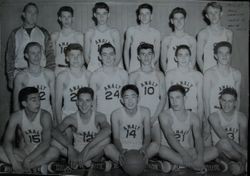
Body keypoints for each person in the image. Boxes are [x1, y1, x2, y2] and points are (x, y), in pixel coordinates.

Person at [158, 85, 220, 173]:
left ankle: (177, 165)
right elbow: (169, 135)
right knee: (161, 150)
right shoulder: (164, 115)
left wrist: (200, 157)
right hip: (172, 151)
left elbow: (198, 138)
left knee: (215, 150)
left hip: (188, 151)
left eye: (178, 97)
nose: (174, 101)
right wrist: (184, 155)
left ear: (185, 98)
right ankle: (195, 166)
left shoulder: (193, 116)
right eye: (171, 98)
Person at [50, 87, 111, 172]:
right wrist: (70, 147)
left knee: (106, 140)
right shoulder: (71, 118)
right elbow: (54, 131)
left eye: (87, 100)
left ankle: (76, 163)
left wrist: (87, 148)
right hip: (76, 152)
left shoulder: (99, 116)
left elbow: (108, 130)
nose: (84, 104)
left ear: (92, 103)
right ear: (77, 102)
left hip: (93, 151)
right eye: (81, 100)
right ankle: (88, 164)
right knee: (54, 142)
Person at [0, 87, 56, 174]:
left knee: (54, 151)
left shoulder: (45, 116)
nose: (38, 103)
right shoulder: (16, 116)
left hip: (41, 153)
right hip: (25, 153)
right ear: (24, 103)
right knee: (1, 150)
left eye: (39, 99)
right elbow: (7, 141)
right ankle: (34, 167)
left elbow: (46, 143)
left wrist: (28, 159)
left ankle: (23, 167)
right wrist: (14, 162)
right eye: (34, 100)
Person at [104, 84, 159, 168]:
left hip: (139, 150)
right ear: (121, 100)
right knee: (108, 148)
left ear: (138, 98)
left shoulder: (145, 111)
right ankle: (143, 164)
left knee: (156, 146)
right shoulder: (116, 114)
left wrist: (144, 148)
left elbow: (148, 135)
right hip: (123, 150)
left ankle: (120, 165)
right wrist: (121, 150)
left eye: (133, 97)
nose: (130, 101)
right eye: (126, 97)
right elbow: (116, 138)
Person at [5, 2, 54, 90]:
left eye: (35, 13)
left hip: (40, 74)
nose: (32, 15)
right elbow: (10, 57)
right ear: (23, 14)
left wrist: (50, 74)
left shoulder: (43, 32)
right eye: (29, 12)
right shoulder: (15, 33)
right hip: (20, 73)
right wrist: (10, 77)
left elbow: (50, 55)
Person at [129, 42, 165, 145]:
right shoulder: (133, 75)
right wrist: (137, 118)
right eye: (143, 54)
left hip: (155, 115)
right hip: (138, 116)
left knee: (158, 146)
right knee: (137, 147)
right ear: (138, 57)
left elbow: (163, 98)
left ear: (153, 56)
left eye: (149, 54)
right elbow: (130, 100)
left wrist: (154, 118)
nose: (146, 57)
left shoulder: (159, 75)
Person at [209, 88, 247, 175]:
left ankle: (230, 164)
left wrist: (243, 159)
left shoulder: (241, 117)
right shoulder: (213, 116)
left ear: (235, 103)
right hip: (220, 150)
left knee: (236, 171)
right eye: (224, 101)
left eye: (230, 101)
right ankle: (237, 163)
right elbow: (225, 138)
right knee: (224, 143)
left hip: (235, 152)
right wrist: (245, 156)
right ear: (220, 101)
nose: (226, 104)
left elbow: (243, 141)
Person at [13, 42, 55, 121]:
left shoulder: (49, 74)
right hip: (29, 118)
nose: (36, 56)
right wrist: (18, 124)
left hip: (47, 116)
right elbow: (16, 104)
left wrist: (56, 120)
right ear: (26, 56)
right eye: (33, 53)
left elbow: (54, 101)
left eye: (39, 52)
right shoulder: (20, 77)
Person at [90, 43, 128, 123]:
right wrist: (94, 119)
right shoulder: (95, 75)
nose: (108, 57)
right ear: (100, 57)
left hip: (120, 115)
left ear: (115, 56)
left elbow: (126, 98)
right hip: (103, 116)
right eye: (104, 54)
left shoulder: (123, 73)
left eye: (111, 54)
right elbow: (93, 100)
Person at [56, 43, 91, 125]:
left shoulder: (89, 75)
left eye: (78, 55)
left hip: (85, 116)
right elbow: (58, 103)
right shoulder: (62, 76)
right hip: (67, 115)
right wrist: (59, 123)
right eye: (72, 56)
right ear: (67, 58)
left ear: (82, 57)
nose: (76, 58)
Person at [165, 45, 203, 119]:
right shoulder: (170, 74)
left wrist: (200, 119)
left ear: (190, 57)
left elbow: (200, 101)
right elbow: (166, 99)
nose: (183, 58)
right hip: (175, 114)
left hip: (192, 113)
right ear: (176, 58)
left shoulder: (198, 75)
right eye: (180, 55)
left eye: (186, 55)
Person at [197, 2, 233, 73]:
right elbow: (198, 58)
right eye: (210, 13)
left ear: (221, 13)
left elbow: (229, 56)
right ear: (207, 16)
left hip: (223, 72)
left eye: (216, 12)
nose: (213, 16)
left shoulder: (228, 33)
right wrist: (206, 74)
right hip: (208, 72)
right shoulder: (203, 33)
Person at [124, 3, 160, 73]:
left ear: (151, 16)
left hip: (149, 70)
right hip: (133, 69)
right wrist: (128, 69)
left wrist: (149, 66)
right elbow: (125, 51)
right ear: (139, 16)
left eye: (147, 13)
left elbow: (157, 53)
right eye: (142, 14)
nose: (144, 16)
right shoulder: (131, 31)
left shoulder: (156, 33)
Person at [85, 2, 121, 72]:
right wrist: (93, 69)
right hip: (94, 69)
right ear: (95, 15)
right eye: (99, 14)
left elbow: (118, 56)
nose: (102, 17)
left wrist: (110, 69)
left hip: (111, 68)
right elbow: (86, 56)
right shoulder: (90, 32)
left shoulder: (114, 32)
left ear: (108, 15)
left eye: (104, 13)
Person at [161, 7, 196, 73]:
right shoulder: (166, 39)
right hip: (171, 75)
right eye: (176, 19)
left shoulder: (191, 40)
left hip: (186, 75)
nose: (179, 21)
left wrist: (188, 74)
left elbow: (193, 61)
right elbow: (163, 61)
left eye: (181, 18)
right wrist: (168, 74)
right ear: (172, 21)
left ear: (185, 20)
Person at [51, 6, 84, 76]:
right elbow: (52, 56)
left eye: (69, 17)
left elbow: (82, 56)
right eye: (64, 17)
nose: (66, 20)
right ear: (60, 19)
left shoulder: (78, 36)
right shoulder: (54, 36)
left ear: (72, 18)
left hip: (74, 69)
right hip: (59, 69)